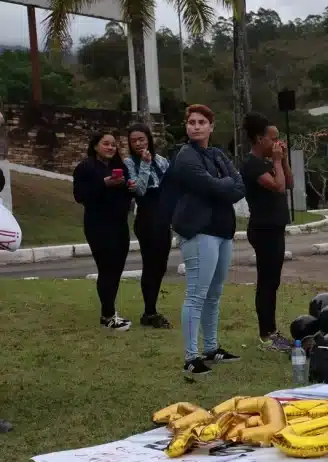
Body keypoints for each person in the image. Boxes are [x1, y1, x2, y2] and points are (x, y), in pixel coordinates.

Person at [172, 104, 246, 376]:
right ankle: (191, 356)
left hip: (222, 230)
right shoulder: (185, 156)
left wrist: (222, 184)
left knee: (214, 294)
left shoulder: (216, 154)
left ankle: (211, 347)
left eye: (202, 122)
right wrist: (223, 184)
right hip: (199, 230)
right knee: (196, 294)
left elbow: (239, 187)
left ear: (211, 127)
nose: (196, 126)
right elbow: (210, 185)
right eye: (191, 121)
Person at [241, 113, 294, 351]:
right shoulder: (252, 164)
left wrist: (282, 161)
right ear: (259, 139)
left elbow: (290, 182)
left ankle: (272, 330)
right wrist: (275, 161)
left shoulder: (270, 162)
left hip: (276, 227)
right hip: (263, 229)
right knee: (266, 282)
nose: (278, 144)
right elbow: (279, 187)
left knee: (273, 281)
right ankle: (267, 333)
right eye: (274, 139)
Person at [73, 131, 134, 330]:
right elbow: (81, 196)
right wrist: (104, 184)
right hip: (98, 224)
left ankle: (108, 312)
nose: (110, 148)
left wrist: (128, 186)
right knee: (106, 268)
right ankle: (108, 316)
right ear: (95, 146)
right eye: (106, 144)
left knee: (116, 269)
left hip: (119, 224)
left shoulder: (120, 167)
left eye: (113, 145)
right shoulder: (85, 168)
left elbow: (126, 196)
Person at [123, 123, 172, 329]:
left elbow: (170, 184)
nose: (138, 144)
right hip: (146, 216)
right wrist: (143, 165)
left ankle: (152, 308)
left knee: (161, 265)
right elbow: (140, 190)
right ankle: (149, 311)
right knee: (150, 264)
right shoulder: (128, 163)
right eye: (134, 141)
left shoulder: (161, 160)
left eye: (141, 139)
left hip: (163, 216)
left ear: (148, 139)